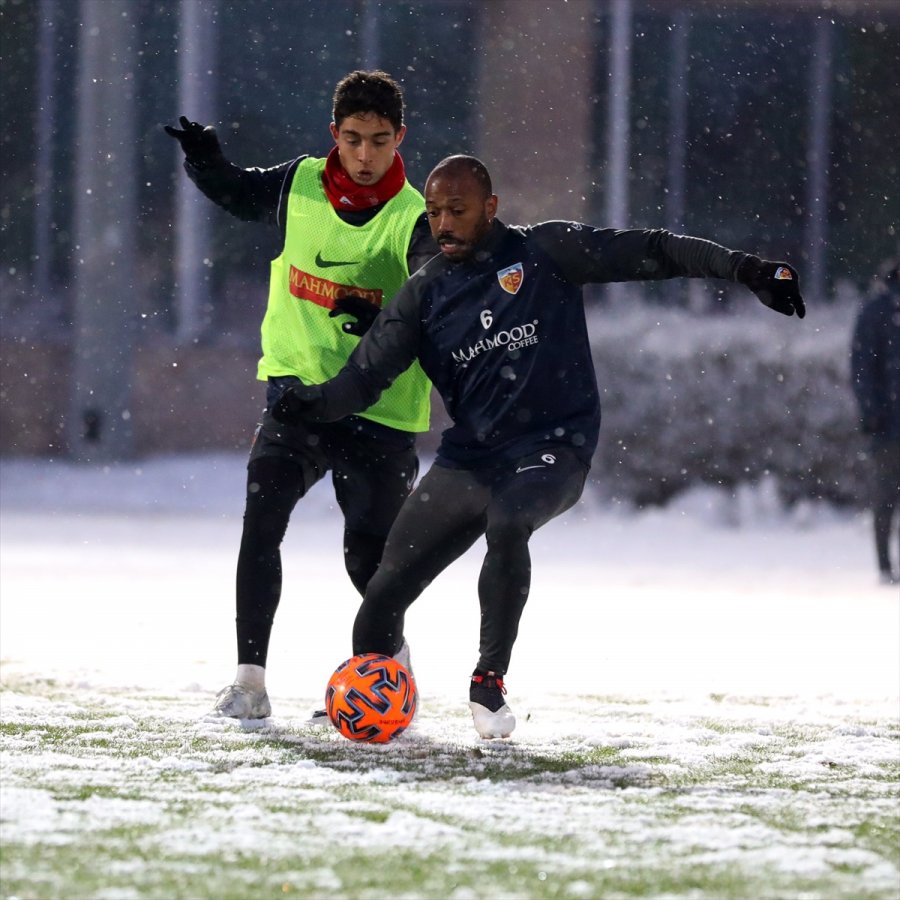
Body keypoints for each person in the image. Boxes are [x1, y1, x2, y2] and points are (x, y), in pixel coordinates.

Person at [270, 154, 806, 738]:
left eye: (457, 209)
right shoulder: (423, 294)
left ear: (490, 207)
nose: (443, 223)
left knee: (507, 523)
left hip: (553, 447)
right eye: (434, 211)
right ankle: (378, 704)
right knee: (383, 593)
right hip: (470, 458)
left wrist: (746, 268)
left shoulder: (545, 251)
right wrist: (310, 403)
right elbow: (363, 379)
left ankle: (488, 681)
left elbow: (653, 249)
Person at [164, 71, 437, 720]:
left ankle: (389, 673)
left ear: (399, 138)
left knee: (368, 560)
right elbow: (238, 193)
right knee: (261, 528)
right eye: (352, 139)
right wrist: (206, 161)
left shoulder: (414, 219)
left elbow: (435, 295)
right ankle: (249, 685)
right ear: (333, 135)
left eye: (377, 140)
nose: (364, 155)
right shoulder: (301, 183)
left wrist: (383, 318)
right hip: (296, 401)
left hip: (379, 412)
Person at [850, 255, 900, 586]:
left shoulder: (875, 310)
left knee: (884, 500)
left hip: (886, 426)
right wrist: (874, 414)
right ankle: (884, 568)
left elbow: (861, 369)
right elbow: (863, 370)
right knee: (884, 499)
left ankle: (884, 567)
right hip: (888, 425)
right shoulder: (877, 312)